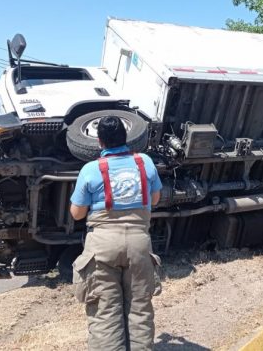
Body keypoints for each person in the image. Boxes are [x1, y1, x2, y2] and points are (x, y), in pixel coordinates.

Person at [69, 115, 162, 351]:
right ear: (127, 138)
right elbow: (155, 198)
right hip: (139, 243)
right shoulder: (145, 162)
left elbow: (77, 213)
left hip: (102, 246)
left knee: (104, 312)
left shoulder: (90, 169)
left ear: (99, 142)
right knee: (140, 309)